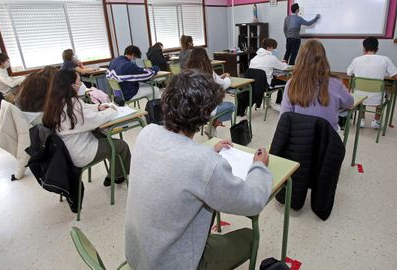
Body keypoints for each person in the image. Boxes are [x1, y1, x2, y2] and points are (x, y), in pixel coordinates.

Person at [125, 69, 272, 270]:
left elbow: (175, 157)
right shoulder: (204, 163)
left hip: (138, 256)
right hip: (172, 265)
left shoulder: (146, 133)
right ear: (205, 115)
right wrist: (259, 167)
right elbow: (254, 202)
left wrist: (209, 151)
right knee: (249, 236)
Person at [42, 69, 131, 187]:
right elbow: (96, 119)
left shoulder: (56, 101)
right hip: (80, 153)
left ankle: (114, 172)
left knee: (104, 136)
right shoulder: (72, 106)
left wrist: (98, 107)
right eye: (79, 82)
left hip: (67, 148)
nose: (81, 85)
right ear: (71, 86)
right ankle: (117, 175)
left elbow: (84, 108)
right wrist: (112, 109)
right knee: (121, 146)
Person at [281, 40, 354, 132]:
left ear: (300, 59)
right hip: (327, 137)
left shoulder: (292, 83)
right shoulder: (336, 82)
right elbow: (349, 103)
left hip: (299, 137)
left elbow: (284, 116)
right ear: (323, 58)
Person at [347, 36, 397, 129]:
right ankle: (376, 121)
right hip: (377, 99)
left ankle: (361, 120)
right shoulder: (385, 59)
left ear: (363, 48)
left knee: (362, 93)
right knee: (385, 94)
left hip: (359, 97)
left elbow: (349, 73)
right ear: (377, 49)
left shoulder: (356, 60)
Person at [186, 47, 235, 137]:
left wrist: (219, 76)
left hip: (192, 109)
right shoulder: (208, 72)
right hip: (207, 109)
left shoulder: (187, 73)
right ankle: (213, 126)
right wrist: (228, 78)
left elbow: (215, 80)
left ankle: (212, 126)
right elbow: (223, 85)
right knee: (231, 106)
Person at [249, 38, 288, 107]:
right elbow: (284, 67)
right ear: (269, 48)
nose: (274, 50)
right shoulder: (272, 58)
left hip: (255, 85)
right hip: (266, 85)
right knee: (286, 83)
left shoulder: (254, 58)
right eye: (273, 48)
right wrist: (284, 63)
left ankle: (268, 102)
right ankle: (279, 103)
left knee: (270, 77)